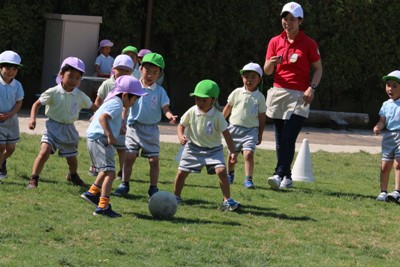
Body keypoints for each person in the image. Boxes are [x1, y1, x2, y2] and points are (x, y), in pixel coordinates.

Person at [263, 2, 322, 190]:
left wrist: (312, 87)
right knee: (281, 139)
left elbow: (318, 69)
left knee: (288, 136)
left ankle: (279, 174)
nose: (287, 23)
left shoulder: (309, 43)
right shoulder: (274, 41)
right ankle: (287, 177)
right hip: (278, 92)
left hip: (300, 96)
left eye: (292, 19)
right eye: (285, 19)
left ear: (300, 21)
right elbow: (267, 71)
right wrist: (272, 62)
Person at [81, 75, 148, 217]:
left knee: (105, 171)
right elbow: (102, 118)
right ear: (125, 95)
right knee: (110, 173)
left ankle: (92, 193)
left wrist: (120, 127)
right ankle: (102, 207)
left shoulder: (113, 101)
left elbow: (101, 116)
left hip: (95, 139)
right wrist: (110, 135)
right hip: (101, 139)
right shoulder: (117, 104)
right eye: (135, 98)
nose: (135, 102)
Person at [113, 52, 177, 197]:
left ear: (159, 74)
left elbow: (165, 108)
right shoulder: (133, 86)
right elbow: (126, 106)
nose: (150, 75)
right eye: (147, 70)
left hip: (151, 130)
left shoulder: (160, 91)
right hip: (133, 127)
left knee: (154, 160)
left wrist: (170, 116)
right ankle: (124, 184)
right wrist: (123, 122)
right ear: (140, 69)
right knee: (129, 157)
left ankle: (153, 188)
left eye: (155, 72)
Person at [27, 57, 97, 189]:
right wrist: (32, 119)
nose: (73, 81)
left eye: (77, 78)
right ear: (61, 75)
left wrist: (99, 115)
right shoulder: (53, 92)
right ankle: (33, 179)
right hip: (52, 127)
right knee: (44, 152)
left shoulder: (80, 95)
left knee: (72, 159)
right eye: (70, 76)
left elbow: (94, 107)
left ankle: (73, 175)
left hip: (69, 129)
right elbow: (36, 104)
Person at [173, 79, 240, 211]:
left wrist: (233, 152)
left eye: (204, 100)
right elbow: (181, 125)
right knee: (181, 173)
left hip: (213, 150)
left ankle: (227, 200)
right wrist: (181, 136)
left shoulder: (217, 115)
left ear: (213, 100)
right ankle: (176, 196)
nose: (200, 103)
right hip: (192, 148)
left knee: (221, 171)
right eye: (197, 99)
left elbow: (226, 134)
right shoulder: (192, 111)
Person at [88, 54, 135, 179]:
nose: (124, 73)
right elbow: (98, 101)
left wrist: (123, 122)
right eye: (121, 70)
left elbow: (127, 107)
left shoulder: (130, 84)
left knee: (121, 147)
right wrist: (95, 114)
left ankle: (122, 172)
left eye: (127, 71)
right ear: (113, 69)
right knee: (100, 144)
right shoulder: (107, 84)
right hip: (106, 120)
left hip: (120, 122)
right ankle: (96, 165)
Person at [222, 63, 267, 189]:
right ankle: (230, 174)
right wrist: (219, 123)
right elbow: (228, 108)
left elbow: (262, 117)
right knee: (232, 154)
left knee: (248, 154)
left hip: (250, 131)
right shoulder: (237, 92)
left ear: (259, 80)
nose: (249, 80)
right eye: (246, 77)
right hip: (233, 129)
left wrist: (260, 133)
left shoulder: (260, 97)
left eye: (253, 77)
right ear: (242, 78)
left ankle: (248, 180)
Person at [374, 70, 400, 203]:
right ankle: (383, 192)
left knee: (398, 164)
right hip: (388, 137)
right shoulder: (386, 104)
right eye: (388, 85)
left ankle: (397, 192)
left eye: (394, 86)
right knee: (385, 166)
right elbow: (382, 121)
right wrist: (378, 126)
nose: (390, 88)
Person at [0, 51, 24, 179]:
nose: (11, 72)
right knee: (1, 146)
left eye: (14, 69)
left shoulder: (17, 85)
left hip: (12, 120)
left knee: (10, 148)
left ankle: (2, 161)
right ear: (0, 68)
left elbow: (19, 102)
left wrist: (10, 114)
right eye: (7, 68)